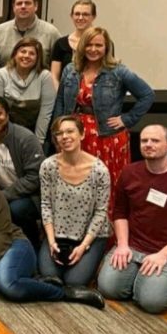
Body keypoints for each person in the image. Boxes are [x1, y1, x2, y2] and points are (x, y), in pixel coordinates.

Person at [0, 154, 104, 308]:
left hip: (13, 245)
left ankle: (62, 292)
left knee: (10, 287)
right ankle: (29, 281)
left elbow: (4, 233)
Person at [97, 125, 167, 314]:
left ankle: (162, 280)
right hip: (133, 247)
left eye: (155, 141)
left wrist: (163, 254)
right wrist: (122, 245)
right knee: (109, 289)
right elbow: (120, 212)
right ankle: (142, 277)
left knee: (152, 302)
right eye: (144, 140)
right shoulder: (129, 173)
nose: (148, 144)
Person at [53, 26, 153, 190]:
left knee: (105, 184)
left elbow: (147, 95)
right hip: (75, 134)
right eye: (89, 45)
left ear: (106, 47)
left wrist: (126, 119)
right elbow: (60, 103)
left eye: (98, 45)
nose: (93, 49)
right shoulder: (70, 70)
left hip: (106, 135)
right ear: (82, 46)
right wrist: (57, 132)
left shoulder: (118, 71)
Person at [38, 116, 110, 287]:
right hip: (57, 235)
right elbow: (46, 205)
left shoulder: (99, 170)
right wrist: (51, 242)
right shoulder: (48, 166)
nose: (65, 136)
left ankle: (97, 261)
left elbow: (101, 212)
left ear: (82, 134)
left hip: (90, 235)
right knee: (50, 278)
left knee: (74, 281)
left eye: (70, 131)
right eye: (59, 133)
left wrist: (84, 246)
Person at [0, 96, 45, 246]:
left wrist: (3, 195)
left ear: (7, 115)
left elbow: (34, 177)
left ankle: (32, 245)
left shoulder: (25, 138)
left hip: (32, 196)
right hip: (2, 194)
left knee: (15, 209)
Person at [0, 37, 55, 144]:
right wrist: (2, 137)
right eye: (23, 52)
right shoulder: (0, 75)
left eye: (32, 53)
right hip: (5, 131)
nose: (26, 56)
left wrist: (38, 141)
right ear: (15, 54)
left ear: (38, 58)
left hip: (35, 132)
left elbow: (45, 112)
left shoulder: (45, 76)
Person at [0, 0, 61, 65]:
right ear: (14, 7)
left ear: (36, 6)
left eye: (27, 3)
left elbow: (59, 66)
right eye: (19, 3)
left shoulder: (51, 33)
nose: (23, 6)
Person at [49, 0, 99, 85]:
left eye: (85, 14)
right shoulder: (60, 44)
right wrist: (60, 96)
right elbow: (54, 76)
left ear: (93, 17)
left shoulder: (103, 43)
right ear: (71, 16)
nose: (80, 18)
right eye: (77, 14)